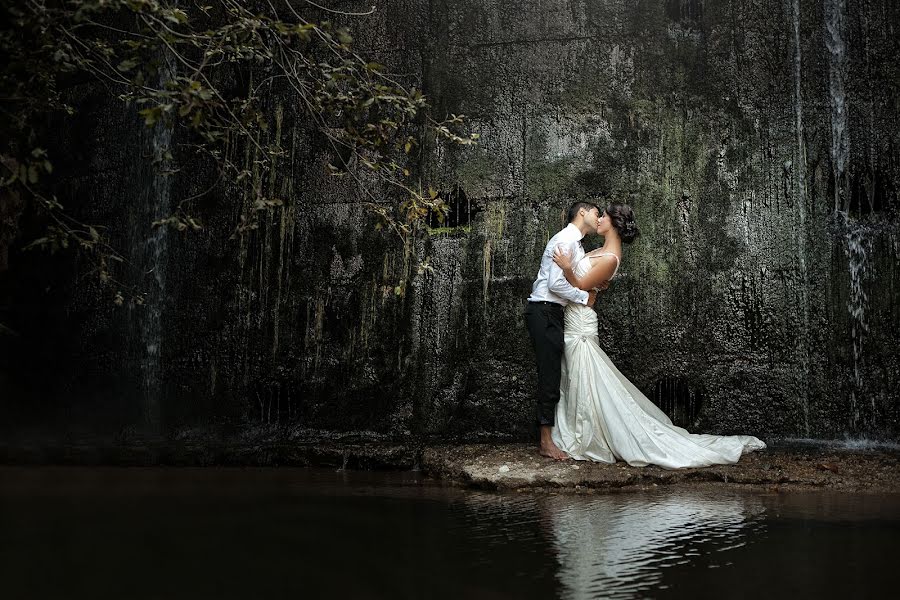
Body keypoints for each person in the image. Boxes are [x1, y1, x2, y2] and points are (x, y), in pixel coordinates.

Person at [549, 202, 766, 468]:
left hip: (580, 323)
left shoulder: (610, 257)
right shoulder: (602, 251)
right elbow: (589, 286)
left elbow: (581, 285)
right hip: (575, 318)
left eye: (603, 216)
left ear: (614, 224)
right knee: (580, 377)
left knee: (586, 377)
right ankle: (582, 429)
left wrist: (566, 267)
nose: (599, 219)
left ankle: (589, 435)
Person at [525, 201, 606, 461]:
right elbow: (555, 282)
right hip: (544, 310)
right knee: (549, 374)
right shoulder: (565, 240)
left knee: (553, 373)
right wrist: (584, 297)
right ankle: (545, 442)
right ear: (583, 213)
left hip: (552, 312)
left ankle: (551, 436)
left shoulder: (576, 243)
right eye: (596, 212)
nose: (599, 217)